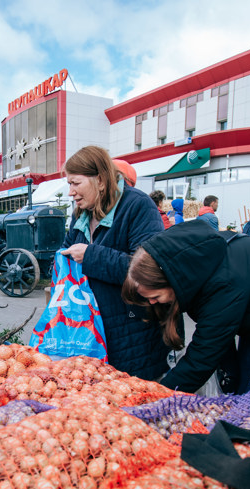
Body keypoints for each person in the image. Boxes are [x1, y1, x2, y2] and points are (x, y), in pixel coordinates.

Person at [123, 220, 250, 398]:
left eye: (155, 297)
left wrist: (155, 397)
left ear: (173, 281)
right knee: (241, 394)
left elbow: (202, 357)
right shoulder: (196, 267)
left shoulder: (224, 284)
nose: (153, 303)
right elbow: (220, 334)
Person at [60, 145, 168, 381]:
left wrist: (91, 256)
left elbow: (148, 270)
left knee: (132, 405)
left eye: (75, 183)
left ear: (99, 180)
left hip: (132, 335)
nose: (70, 192)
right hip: (89, 332)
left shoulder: (138, 206)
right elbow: (66, 252)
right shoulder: (80, 213)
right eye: (69, 184)